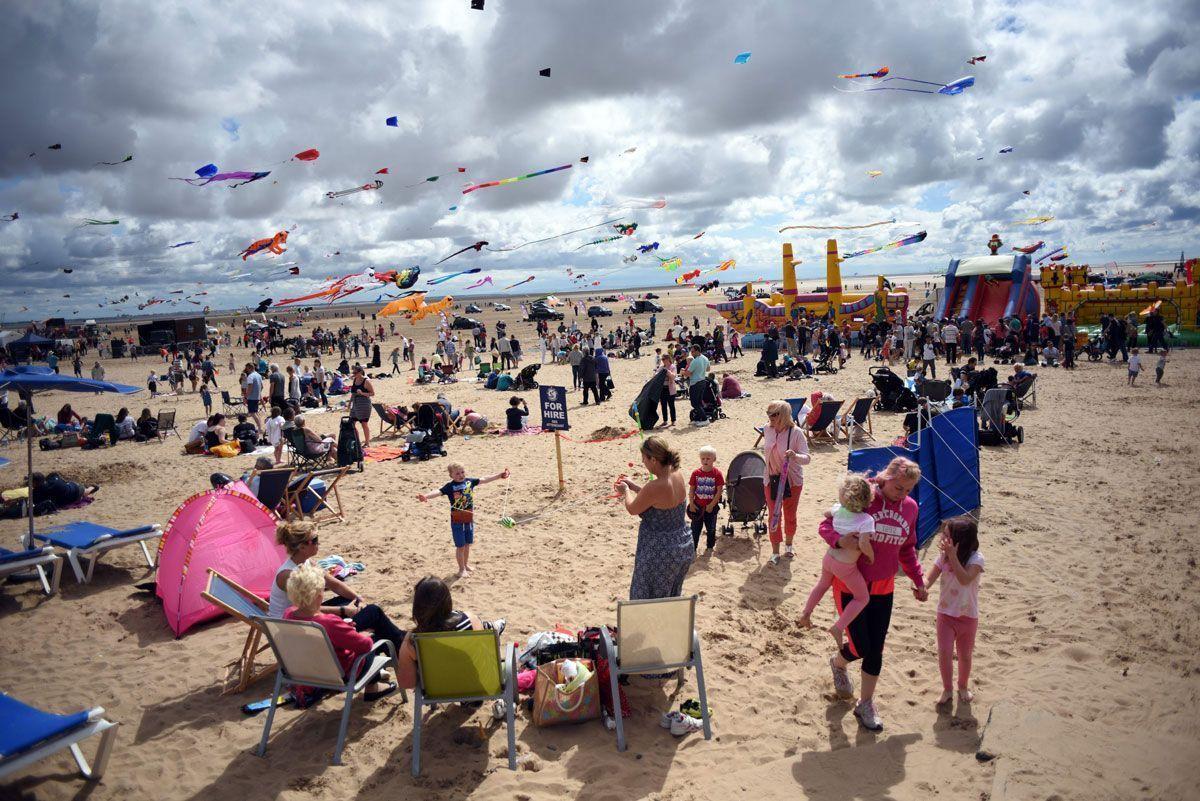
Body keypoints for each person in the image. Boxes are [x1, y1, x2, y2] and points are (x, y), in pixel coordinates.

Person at [821, 456, 927, 732]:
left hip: (884, 586)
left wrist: (918, 580)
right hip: (851, 584)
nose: (902, 494)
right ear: (885, 478)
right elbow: (827, 523)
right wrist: (838, 539)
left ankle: (866, 703)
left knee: (875, 648)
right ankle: (838, 662)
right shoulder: (865, 493)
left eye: (907, 490)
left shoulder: (910, 508)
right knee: (860, 646)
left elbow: (907, 549)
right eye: (897, 487)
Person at [270, 522, 406, 693]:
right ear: (303, 546)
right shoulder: (288, 576)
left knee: (354, 604)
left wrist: (357, 597)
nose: (319, 542)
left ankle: (396, 647)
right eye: (315, 539)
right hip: (300, 632)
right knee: (374, 614)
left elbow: (332, 583)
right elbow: (308, 610)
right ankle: (400, 650)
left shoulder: (306, 564)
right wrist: (343, 611)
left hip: (300, 620)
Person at [798, 474, 876, 646]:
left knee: (822, 585)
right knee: (862, 598)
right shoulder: (867, 520)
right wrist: (871, 556)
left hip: (829, 558)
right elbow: (863, 543)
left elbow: (826, 513)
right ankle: (838, 627)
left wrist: (839, 512)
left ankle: (806, 614)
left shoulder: (838, 509)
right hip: (845, 566)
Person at [615, 436, 694, 599]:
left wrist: (626, 491)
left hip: (660, 551)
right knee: (670, 596)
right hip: (682, 544)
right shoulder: (676, 473)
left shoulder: (655, 486)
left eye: (644, 459)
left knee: (648, 599)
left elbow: (632, 508)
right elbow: (658, 498)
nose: (643, 463)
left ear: (653, 459)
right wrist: (634, 485)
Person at [394, 576, 505, 691]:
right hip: (478, 684)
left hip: (439, 690)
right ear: (448, 601)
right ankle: (493, 627)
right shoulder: (469, 620)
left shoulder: (413, 640)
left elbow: (407, 683)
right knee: (483, 632)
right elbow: (485, 653)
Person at [923, 516, 984, 706]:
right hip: (946, 616)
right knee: (945, 654)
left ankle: (963, 686)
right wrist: (920, 587)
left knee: (965, 656)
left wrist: (953, 557)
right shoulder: (942, 558)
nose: (942, 539)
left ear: (959, 541)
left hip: (968, 617)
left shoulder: (977, 559)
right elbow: (928, 580)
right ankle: (947, 689)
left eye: (946, 536)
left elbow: (965, 579)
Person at [416, 463, 510, 578]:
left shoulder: (469, 482)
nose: (461, 475)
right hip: (457, 520)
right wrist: (426, 496)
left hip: (468, 518)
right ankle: (461, 570)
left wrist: (500, 475)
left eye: (462, 472)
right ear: (451, 475)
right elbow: (438, 491)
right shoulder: (449, 486)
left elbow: (485, 479)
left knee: (467, 544)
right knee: (460, 546)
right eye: (457, 473)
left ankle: (465, 565)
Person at [763, 399, 811, 565]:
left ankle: (789, 546)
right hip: (771, 479)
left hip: (791, 481)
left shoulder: (796, 432)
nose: (770, 417)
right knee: (773, 515)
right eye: (768, 414)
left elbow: (807, 458)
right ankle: (775, 552)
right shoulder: (767, 429)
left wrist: (795, 456)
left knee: (790, 514)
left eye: (773, 414)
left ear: (782, 415)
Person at [688, 445, 725, 554]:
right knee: (695, 529)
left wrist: (712, 505)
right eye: (703, 458)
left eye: (708, 458)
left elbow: (719, 491)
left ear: (714, 459)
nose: (705, 461)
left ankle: (709, 547)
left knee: (711, 529)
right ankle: (693, 548)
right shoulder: (695, 474)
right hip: (697, 506)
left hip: (711, 508)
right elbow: (692, 489)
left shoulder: (717, 474)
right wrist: (691, 504)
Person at [30, 472, 98, 511]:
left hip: (75, 492)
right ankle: (88, 488)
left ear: (36, 483)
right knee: (80, 489)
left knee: (86, 492)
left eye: (32, 482)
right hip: (71, 486)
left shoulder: (40, 491)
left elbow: (35, 501)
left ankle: (92, 488)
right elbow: (54, 474)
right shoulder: (52, 480)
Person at [349, 365, 374, 446]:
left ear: (360, 372)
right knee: (351, 423)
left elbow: (372, 393)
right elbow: (353, 394)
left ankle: (367, 442)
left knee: (364, 423)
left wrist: (362, 393)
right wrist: (349, 404)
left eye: (355, 372)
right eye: (353, 372)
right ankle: (357, 440)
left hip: (364, 404)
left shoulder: (366, 381)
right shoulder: (355, 379)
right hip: (355, 404)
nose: (354, 374)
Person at [685, 345, 710, 421]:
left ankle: (705, 419)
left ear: (697, 351)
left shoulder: (695, 361)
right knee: (699, 402)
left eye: (692, 352)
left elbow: (688, 373)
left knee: (694, 403)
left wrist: (682, 372)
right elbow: (708, 369)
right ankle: (700, 418)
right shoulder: (705, 358)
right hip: (702, 381)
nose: (691, 353)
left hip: (695, 383)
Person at [657, 353, 677, 427]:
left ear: (668, 359)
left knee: (671, 405)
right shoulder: (661, 367)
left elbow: (673, 376)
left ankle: (673, 421)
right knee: (663, 405)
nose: (662, 361)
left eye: (663, 359)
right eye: (662, 359)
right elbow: (655, 374)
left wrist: (667, 371)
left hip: (670, 389)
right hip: (662, 389)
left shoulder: (673, 367)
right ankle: (665, 421)